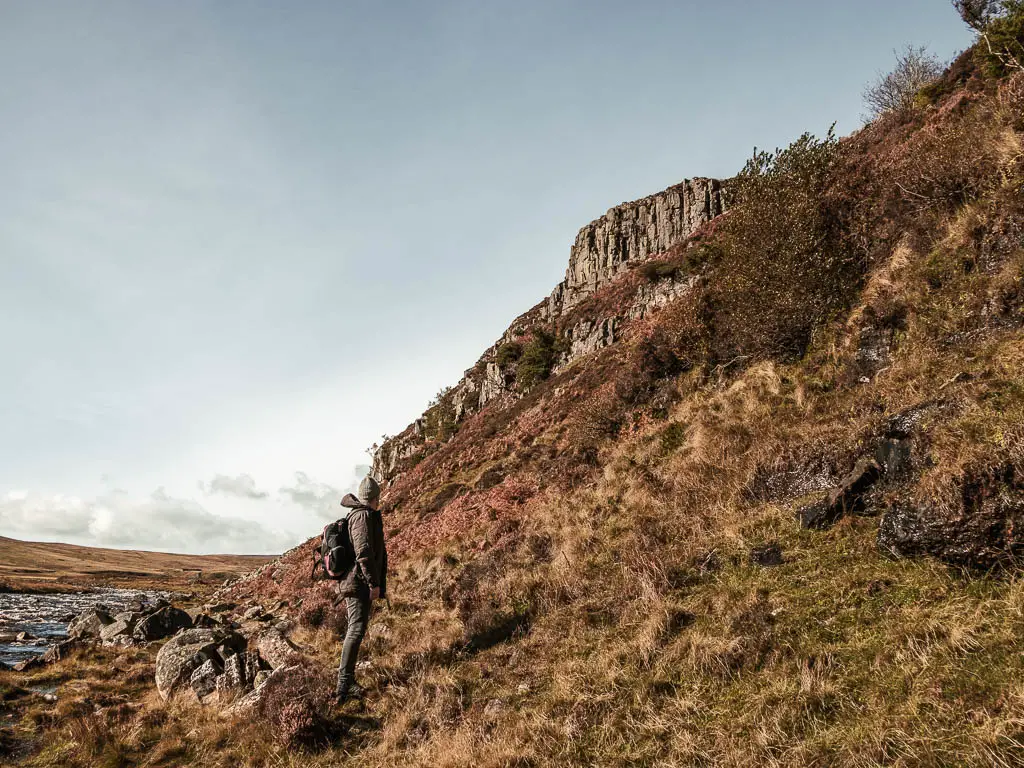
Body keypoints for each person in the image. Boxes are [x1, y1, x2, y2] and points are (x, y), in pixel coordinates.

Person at [334, 475, 388, 704]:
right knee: (355, 630)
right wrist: (373, 584)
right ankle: (343, 686)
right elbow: (364, 553)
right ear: (375, 497)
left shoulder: (360, 514)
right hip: (357, 583)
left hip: (356, 581)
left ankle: (346, 682)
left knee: (356, 628)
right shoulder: (363, 516)